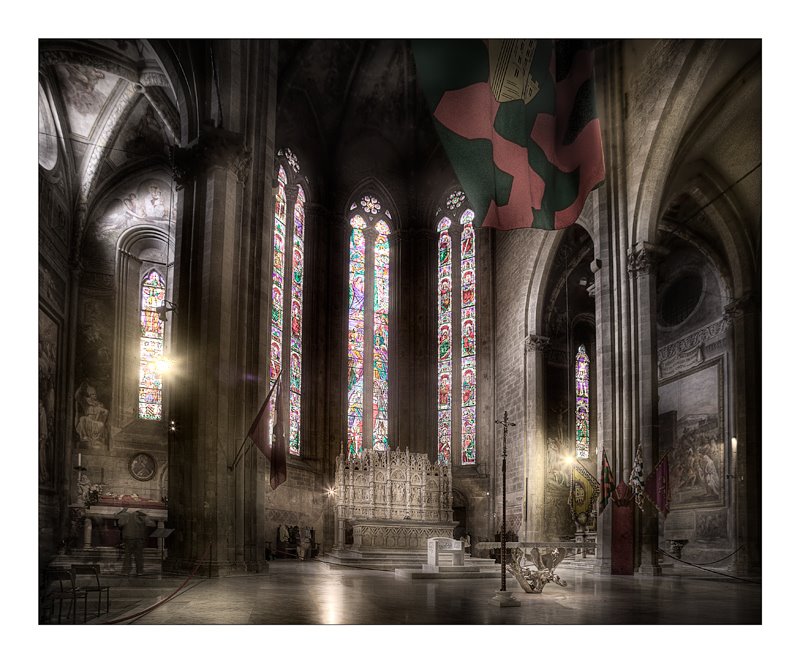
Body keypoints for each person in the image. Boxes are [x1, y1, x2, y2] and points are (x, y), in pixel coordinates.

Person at [117, 508, 150, 576]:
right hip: (139, 537)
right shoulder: (142, 515)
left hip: (129, 537)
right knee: (139, 555)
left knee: (128, 555)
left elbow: (120, 523)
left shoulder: (126, 515)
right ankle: (140, 571)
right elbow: (149, 524)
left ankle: (126, 571)